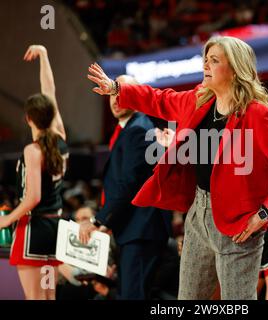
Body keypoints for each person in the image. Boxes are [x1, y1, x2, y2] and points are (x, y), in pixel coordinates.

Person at [87, 36, 268, 300]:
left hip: (238, 222)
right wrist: (117, 89)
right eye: (205, 59)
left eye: (214, 60)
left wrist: (264, 213)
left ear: (236, 68)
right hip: (197, 213)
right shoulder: (198, 101)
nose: (206, 65)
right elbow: (160, 100)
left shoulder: (257, 114)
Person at [79, 75, 172, 300]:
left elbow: (130, 183)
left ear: (137, 95)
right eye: (112, 93)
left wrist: (99, 220)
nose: (115, 99)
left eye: (122, 92)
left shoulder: (138, 129)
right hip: (135, 228)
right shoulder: (132, 128)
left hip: (141, 229)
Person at [0, 45, 67, 299]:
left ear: (28, 118)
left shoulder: (33, 150)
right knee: (49, 297)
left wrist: (7, 220)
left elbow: (33, 198)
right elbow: (50, 91)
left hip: (34, 229)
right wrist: (45, 55)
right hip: (55, 228)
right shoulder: (61, 136)